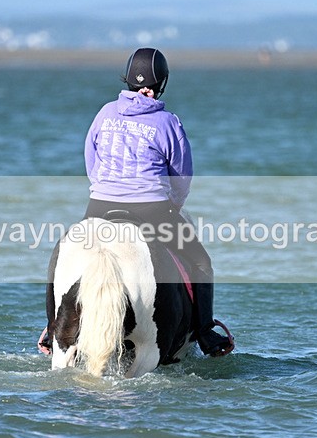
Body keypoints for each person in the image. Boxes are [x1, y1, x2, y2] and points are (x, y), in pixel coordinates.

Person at [82, 47, 234, 357]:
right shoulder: (166, 122)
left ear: (128, 81)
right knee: (201, 262)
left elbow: (91, 161)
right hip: (150, 209)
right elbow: (181, 178)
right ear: (161, 83)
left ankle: (53, 327)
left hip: (98, 207)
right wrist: (172, 207)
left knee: (65, 258)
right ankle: (205, 333)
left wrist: (105, 190)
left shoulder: (104, 113)